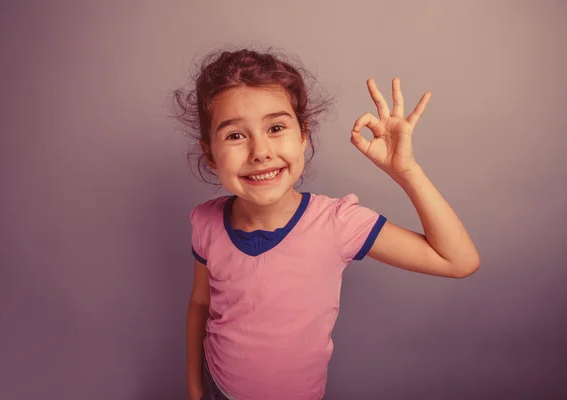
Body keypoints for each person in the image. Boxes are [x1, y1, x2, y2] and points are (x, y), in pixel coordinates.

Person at [171, 47, 480, 400]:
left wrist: (407, 172)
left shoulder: (337, 223)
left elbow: (459, 261)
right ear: (210, 153)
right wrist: (196, 389)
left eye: (275, 127)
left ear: (303, 135)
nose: (260, 151)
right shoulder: (205, 222)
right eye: (235, 135)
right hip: (218, 388)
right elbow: (200, 304)